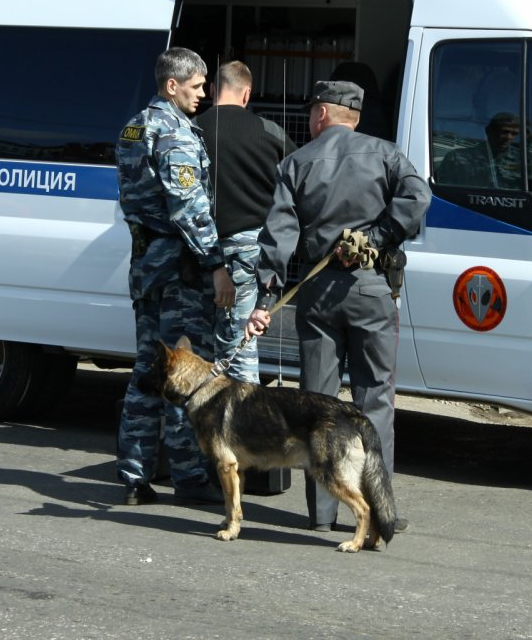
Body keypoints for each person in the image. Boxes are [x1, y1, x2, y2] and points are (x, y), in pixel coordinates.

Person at [245, 80, 430, 533]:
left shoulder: (296, 163)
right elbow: (418, 197)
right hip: (371, 290)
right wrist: (381, 236)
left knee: (319, 405)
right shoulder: (385, 154)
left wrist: (266, 299)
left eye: (312, 113)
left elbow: (278, 240)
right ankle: (379, 512)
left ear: (322, 115)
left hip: (317, 294)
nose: (310, 120)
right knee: (375, 401)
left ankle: (322, 515)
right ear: (355, 117)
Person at [115, 47, 236, 507]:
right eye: (198, 85)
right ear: (172, 85)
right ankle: (188, 477)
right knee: (187, 375)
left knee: (148, 372)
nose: (204, 94)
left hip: (147, 268)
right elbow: (189, 208)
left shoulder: (134, 125)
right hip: (177, 276)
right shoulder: (174, 134)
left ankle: (134, 477)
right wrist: (216, 264)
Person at [193, 60, 295, 379]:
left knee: (196, 342)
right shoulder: (271, 132)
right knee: (239, 342)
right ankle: (243, 422)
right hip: (248, 251)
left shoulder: (190, 130)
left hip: (196, 249)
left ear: (211, 90)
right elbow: (297, 184)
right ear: (247, 93)